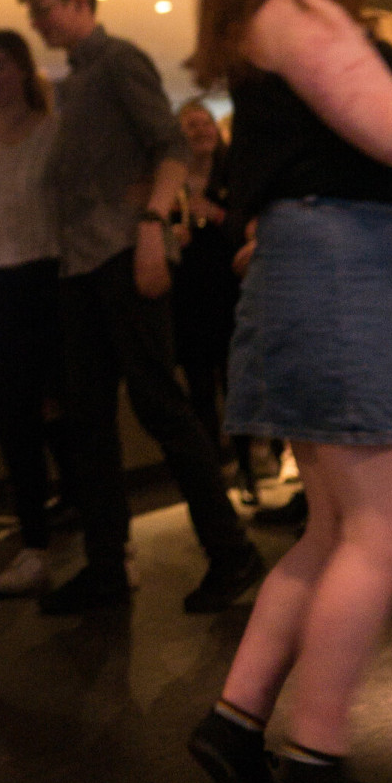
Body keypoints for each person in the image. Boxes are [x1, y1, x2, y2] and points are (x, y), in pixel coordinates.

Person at [187, 0, 392, 783]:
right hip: (341, 273)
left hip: (330, 268)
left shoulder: (275, 19)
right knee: (383, 530)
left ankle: (237, 724)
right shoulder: (297, 12)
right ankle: (316, 756)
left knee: (333, 530)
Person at [17, 0, 261, 615]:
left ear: (74, 0)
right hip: (82, 263)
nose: (36, 23)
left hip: (123, 253)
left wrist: (152, 226)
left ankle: (231, 553)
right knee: (89, 419)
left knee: (161, 407)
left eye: (42, 9)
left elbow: (169, 147)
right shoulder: (74, 81)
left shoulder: (119, 60)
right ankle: (105, 567)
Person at [0, 29, 73, 598]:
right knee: (11, 419)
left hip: (49, 281)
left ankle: (102, 538)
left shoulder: (54, 133)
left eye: (0, 65)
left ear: (24, 69)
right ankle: (33, 546)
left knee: (66, 413)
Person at [170, 100, 251, 498]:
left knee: (236, 380)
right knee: (199, 385)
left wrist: (216, 216)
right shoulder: (171, 183)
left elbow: (250, 226)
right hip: (188, 297)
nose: (200, 131)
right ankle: (213, 471)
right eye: (190, 125)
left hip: (229, 292)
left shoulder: (234, 173)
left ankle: (248, 466)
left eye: (204, 124)